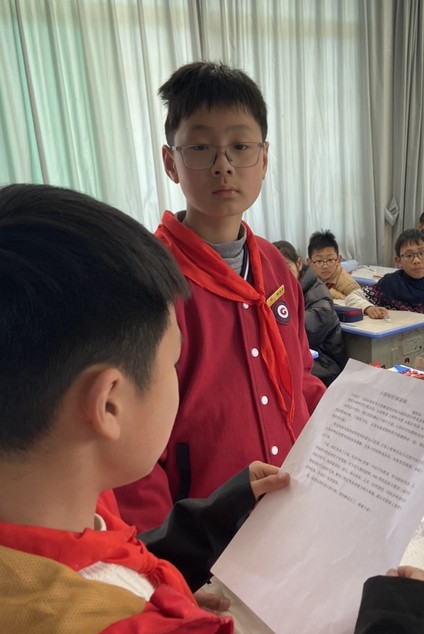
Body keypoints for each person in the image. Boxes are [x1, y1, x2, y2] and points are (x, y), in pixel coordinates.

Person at [0, 183, 424, 634]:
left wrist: (210, 525)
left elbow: (105, 559)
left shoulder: (60, 518)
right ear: (109, 404)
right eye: (172, 363)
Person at [115, 62, 326, 533]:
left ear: (264, 159)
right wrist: (163, 553)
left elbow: (301, 379)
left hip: (291, 514)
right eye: (201, 147)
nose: (223, 164)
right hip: (202, 539)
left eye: (240, 146)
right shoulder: (147, 283)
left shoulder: (275, 267)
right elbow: (130, 453)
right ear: (171, 162)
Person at [274, 240, 347, 386]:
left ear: (299, 264)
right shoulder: (278, 292)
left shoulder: (319, 296)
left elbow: (299, 334)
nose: (280, 274)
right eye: (274, 269)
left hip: (325, 364)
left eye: (286, 267)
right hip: (301, 359)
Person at [363, 229, 424, 315]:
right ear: (399, 261)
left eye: (422, 253)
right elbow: (357, 296)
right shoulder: (389, 282)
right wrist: (368, 308)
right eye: (409, 256)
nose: (416, 260)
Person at [307, 229, 389, 319]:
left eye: (330, 260)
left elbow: (359, 300)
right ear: (309, 262)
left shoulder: (346, 281)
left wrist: (329, 292)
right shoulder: (307, 277)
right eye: (319, 261)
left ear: (338, 260)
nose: (325, 266)